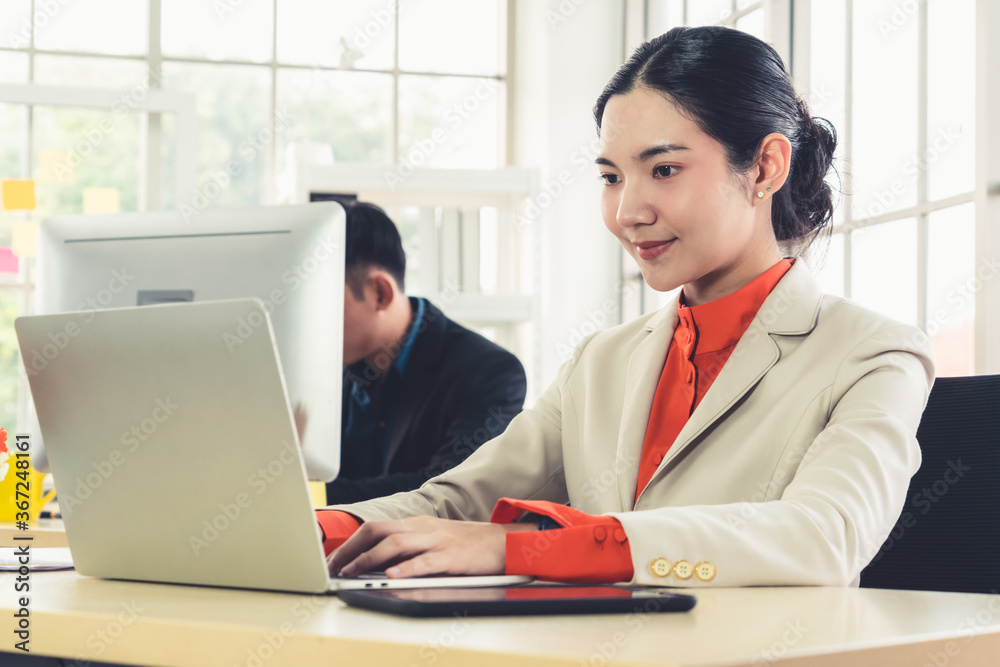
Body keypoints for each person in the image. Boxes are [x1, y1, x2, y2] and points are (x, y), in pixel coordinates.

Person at [317, 27, 935, 587]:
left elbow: (822, 539)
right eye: (611, 177)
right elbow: (452, 504)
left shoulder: (873, 354)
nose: (627, 212)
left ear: (766, 167)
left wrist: (524, 549)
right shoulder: (601, 361)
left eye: (663, 169)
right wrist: (310, 529)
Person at [324, 201, 527, 504]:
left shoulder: (491, 372)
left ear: (381, 293)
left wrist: (305, 495)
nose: (313, 323)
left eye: (324, 306)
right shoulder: (331, 370)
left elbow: (447, 491)